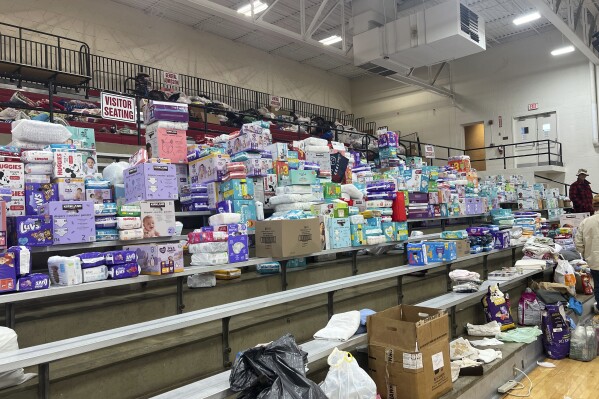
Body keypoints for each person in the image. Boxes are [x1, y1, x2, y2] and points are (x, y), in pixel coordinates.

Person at [575, 213, 599, 312]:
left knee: (598, 285)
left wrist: (586, 255)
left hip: (595, 260)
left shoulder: (586, 222)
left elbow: (578, 243)